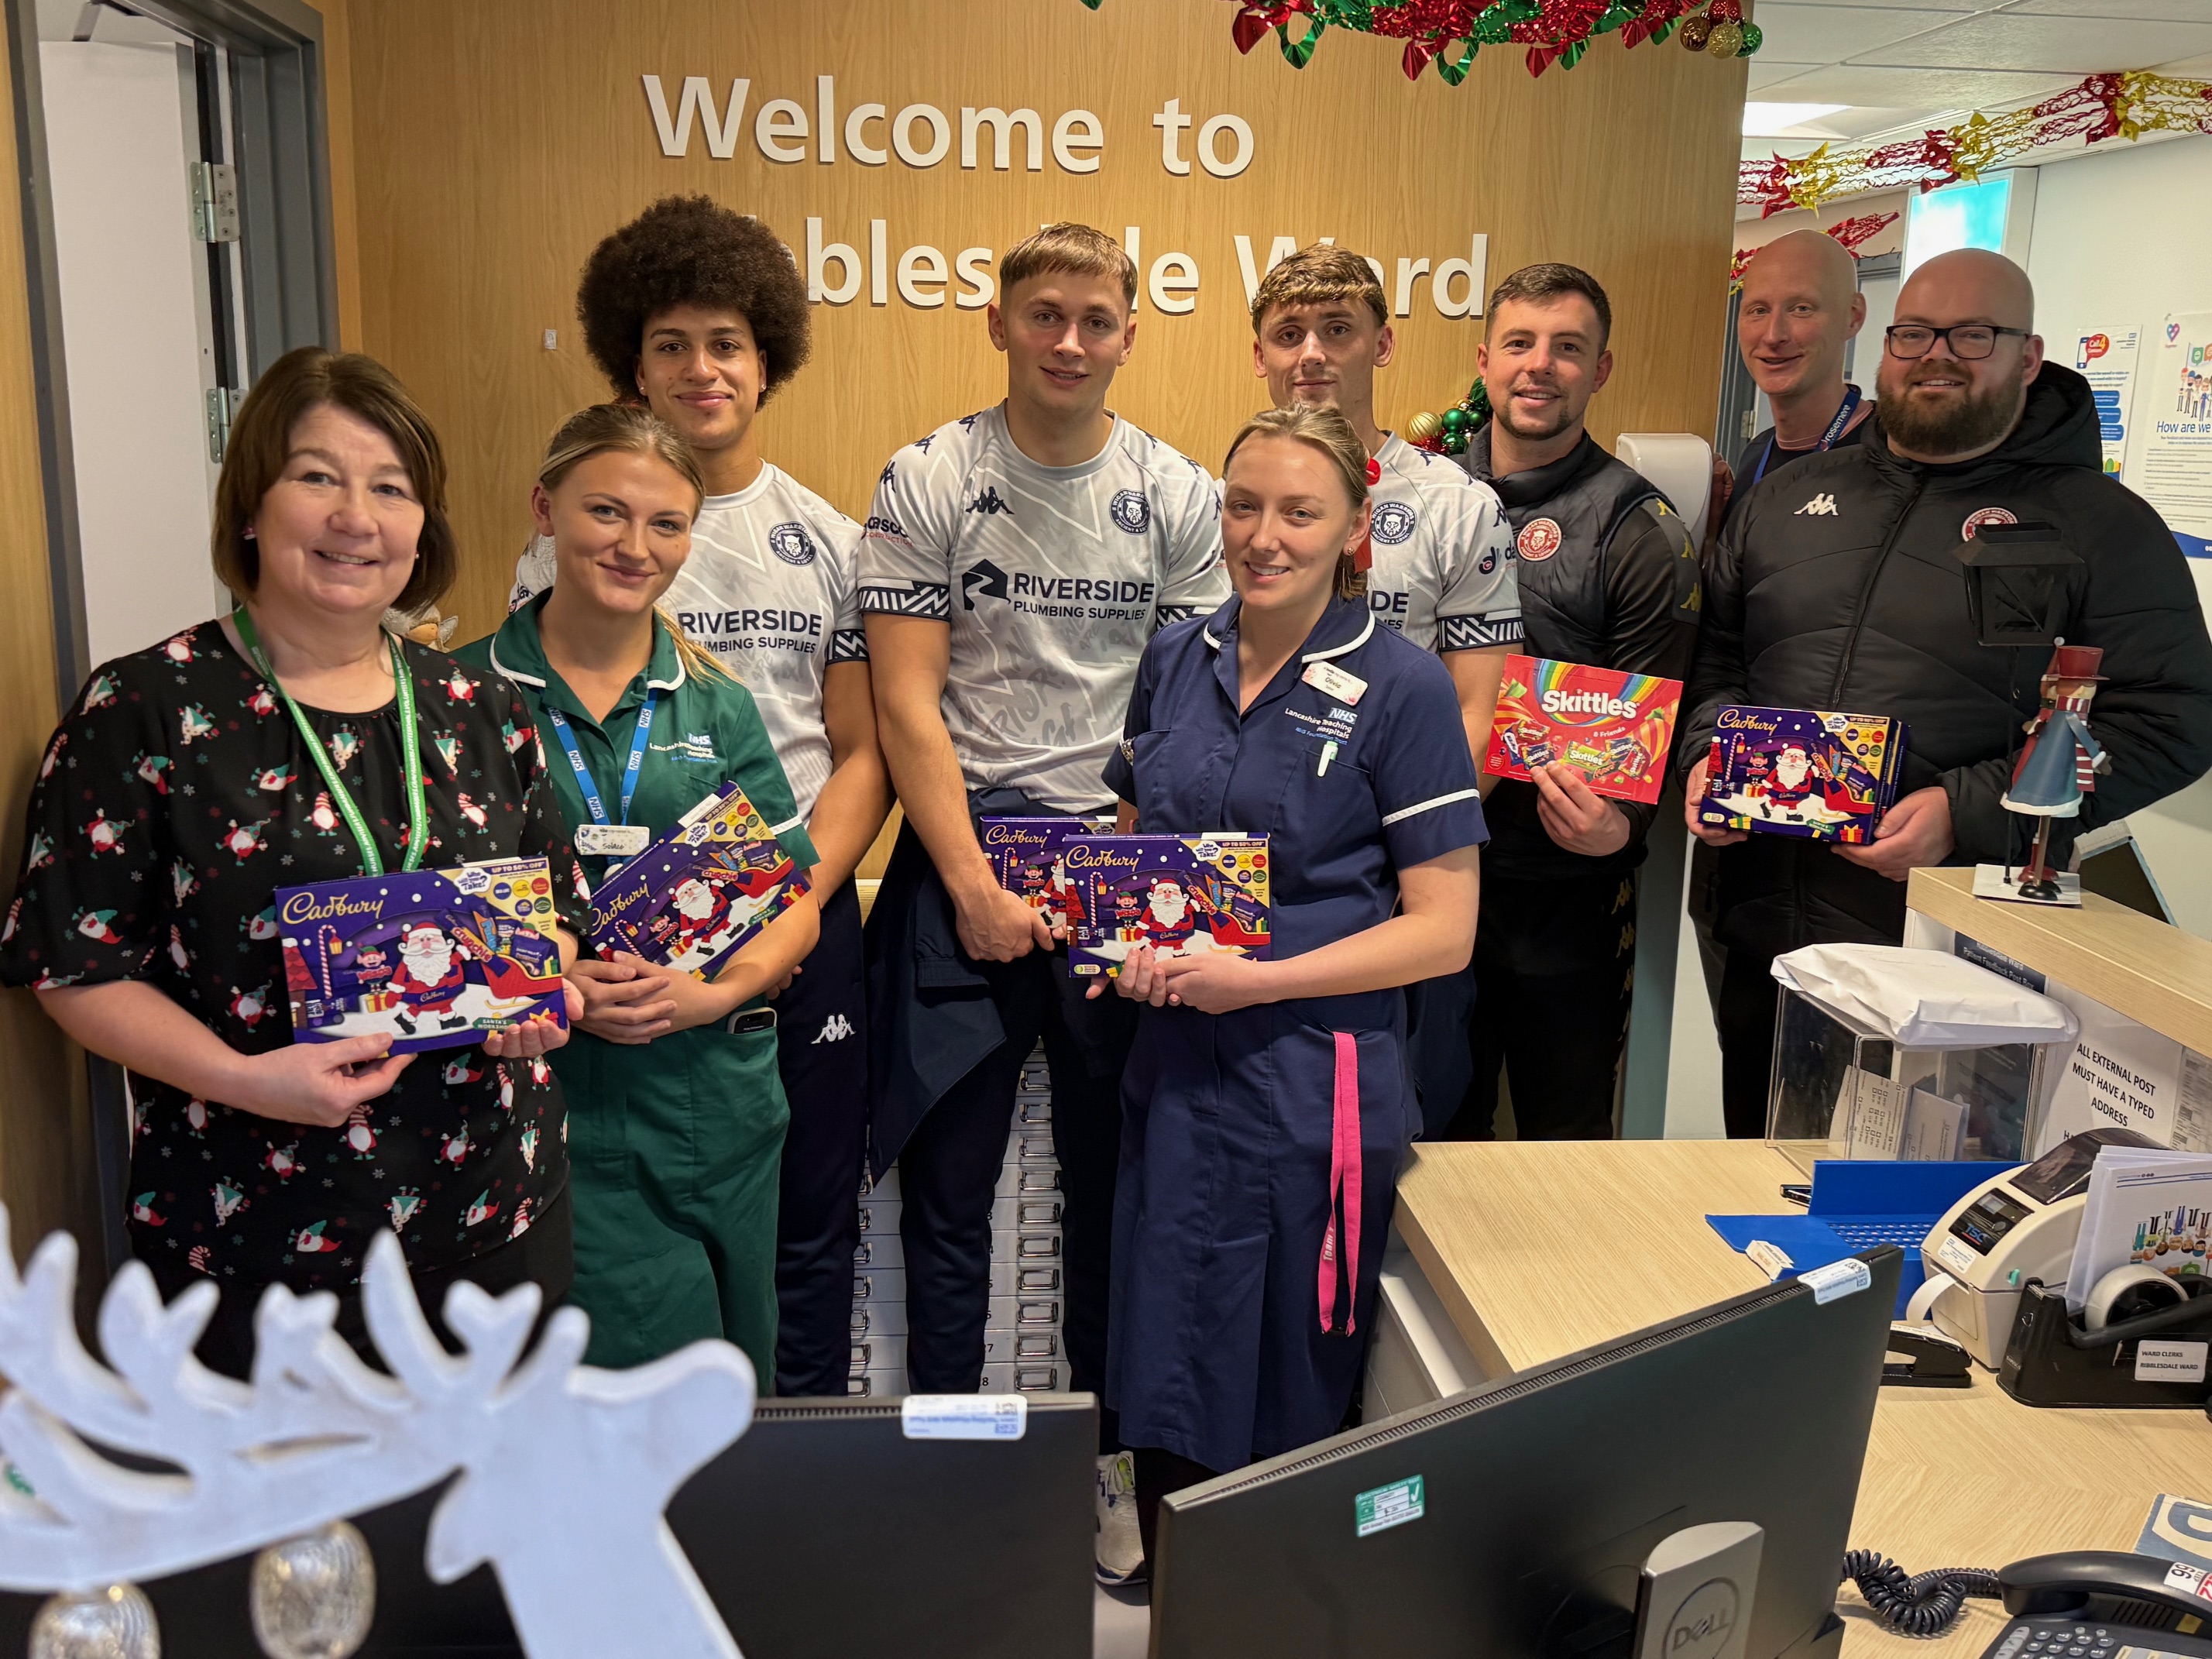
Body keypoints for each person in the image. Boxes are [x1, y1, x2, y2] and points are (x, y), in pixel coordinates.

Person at [0, 347, 583, 1378]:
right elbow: (73, 963)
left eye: (391, 488)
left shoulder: (481, 705)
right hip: (253, 1229)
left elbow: (553, 919)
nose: (357, 516)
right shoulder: (147, 707)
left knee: (472, 1534)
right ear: (253, 506)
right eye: (318, 476)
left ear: (423, 528)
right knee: (287, 1536)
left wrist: (544, 1001)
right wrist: (245, 1079)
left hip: (491, 1215)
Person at [860, 222, 1223, 1580]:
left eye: (1095, 317)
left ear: (1129, 331)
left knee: (1109, 1192)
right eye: (1044, 314)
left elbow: (1181, 714)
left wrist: (1117, 877)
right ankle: (958, 1476)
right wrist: (964, 880)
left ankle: (1102, 1470)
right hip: (964, 859)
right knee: (948, 1197)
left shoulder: (1175, 491)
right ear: (999, 321)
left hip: (1114, 866)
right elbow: (904, 698)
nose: (1069, 340)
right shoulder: (931, 476)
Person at [1682, 248, 2212, 1138]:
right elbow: (1718, 661)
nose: (1937, 355)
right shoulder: (1790, 497)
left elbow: (2172, 719)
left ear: (2028, 357)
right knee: (1762, 1174)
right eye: (1916, 333)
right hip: (1765, 922)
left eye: (1973, 334)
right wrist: (1707, 754)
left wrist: (1967, 813)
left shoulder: (2101, 526)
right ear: (1884, 343)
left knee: (1921, 1210)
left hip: (1957, 949)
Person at [510, 197, 891, 1396]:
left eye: (726, 342)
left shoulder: (826, 537)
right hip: (592, 954)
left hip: (784, 907)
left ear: (766, 358)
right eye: (672, 344)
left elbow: (861, 747)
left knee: (798, 1221)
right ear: (635, 360)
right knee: (613, 1253)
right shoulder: (563, 542)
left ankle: (806, 1472)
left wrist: (789, 908)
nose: (701, 368)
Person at [1098, 404, 1484, 1575]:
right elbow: (1129, 839)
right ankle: (1168, 1547)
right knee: (1162, 1304)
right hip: (1172, 1060)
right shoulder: (1179, 655)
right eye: (1245, 505)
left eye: (1300, 511)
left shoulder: (1402, 688)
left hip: (1312, 1077)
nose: (1266, 536)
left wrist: (1258, 981)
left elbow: (1445, 932)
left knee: (1281, 1334)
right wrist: (1112, 931)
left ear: (1355, 527)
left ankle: (1267, 1582)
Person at [462, 404, 821, 1376]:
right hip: (551, 1095)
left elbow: (792, 899)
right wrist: (559, 985)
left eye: (666, 524)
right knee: (635, 1387)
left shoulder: (715, 700)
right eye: (606, 513)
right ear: (545, 508)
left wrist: (714, 993)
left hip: (718, 1094)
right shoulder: (462, 695)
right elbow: (429, 907)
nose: (636, 546)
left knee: (738, 1378)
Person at [1424, 263, 1702, 1141]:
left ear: (1601, 369)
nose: (1539, 366)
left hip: (1565, 897)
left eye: (1568, 349)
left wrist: (1622, 825)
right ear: (1484, 360)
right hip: (1426, 880)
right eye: (1519, 344)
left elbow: (1658, 724)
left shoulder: (1639, 528)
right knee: (1426, 1140)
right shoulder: (1412, 501)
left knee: (1564, 1148)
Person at [1247, 242, 1522, 754]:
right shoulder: (1226, 510)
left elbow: (1479, 715)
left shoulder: (1460, 507)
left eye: (1337, 329)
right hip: (1241, 824)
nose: (1312, 353)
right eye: (1289, 335)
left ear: (1382, 345)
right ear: (1262, 357)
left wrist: (1411, 832)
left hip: (1392, 820)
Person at [1714, 228, 1876, 532]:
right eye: (1758, 310)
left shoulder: (1893, 453)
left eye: (1801, 309)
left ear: (1853, 316)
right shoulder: (1756, 455)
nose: (1774, 335)